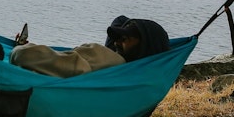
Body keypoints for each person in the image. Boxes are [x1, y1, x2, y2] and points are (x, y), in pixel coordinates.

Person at [9, 17, 169, 78]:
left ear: (145, 45)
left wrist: (20, 49)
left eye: (124, 39)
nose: (116, 43)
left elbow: (23, 57)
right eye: (117, 39)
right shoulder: (137, 76)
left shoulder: (110, 59)